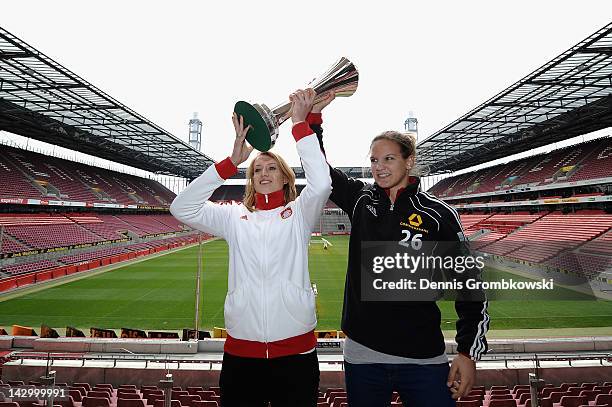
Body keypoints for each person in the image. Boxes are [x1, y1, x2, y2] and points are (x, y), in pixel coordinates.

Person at [308, 93, 489, 407]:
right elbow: (319, 171)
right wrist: (313, 121)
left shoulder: (440, 215)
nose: (379, 167)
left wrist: (466, 352)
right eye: (374, 160)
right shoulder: (361, 199)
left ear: (409, 160)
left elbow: (470, 287)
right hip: (362, 356)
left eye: (389, 158)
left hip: (423, 358)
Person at [170, 89, 332, 407]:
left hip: (296, 353)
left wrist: (301, 125)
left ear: (286, 179)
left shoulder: (300, 213)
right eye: (257, 170)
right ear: (250, 180)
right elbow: (181, 208)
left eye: (271, 168)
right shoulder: (234, 217)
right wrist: (230, 163)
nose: (263, 173)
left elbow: (322, 183)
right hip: (241, 354)